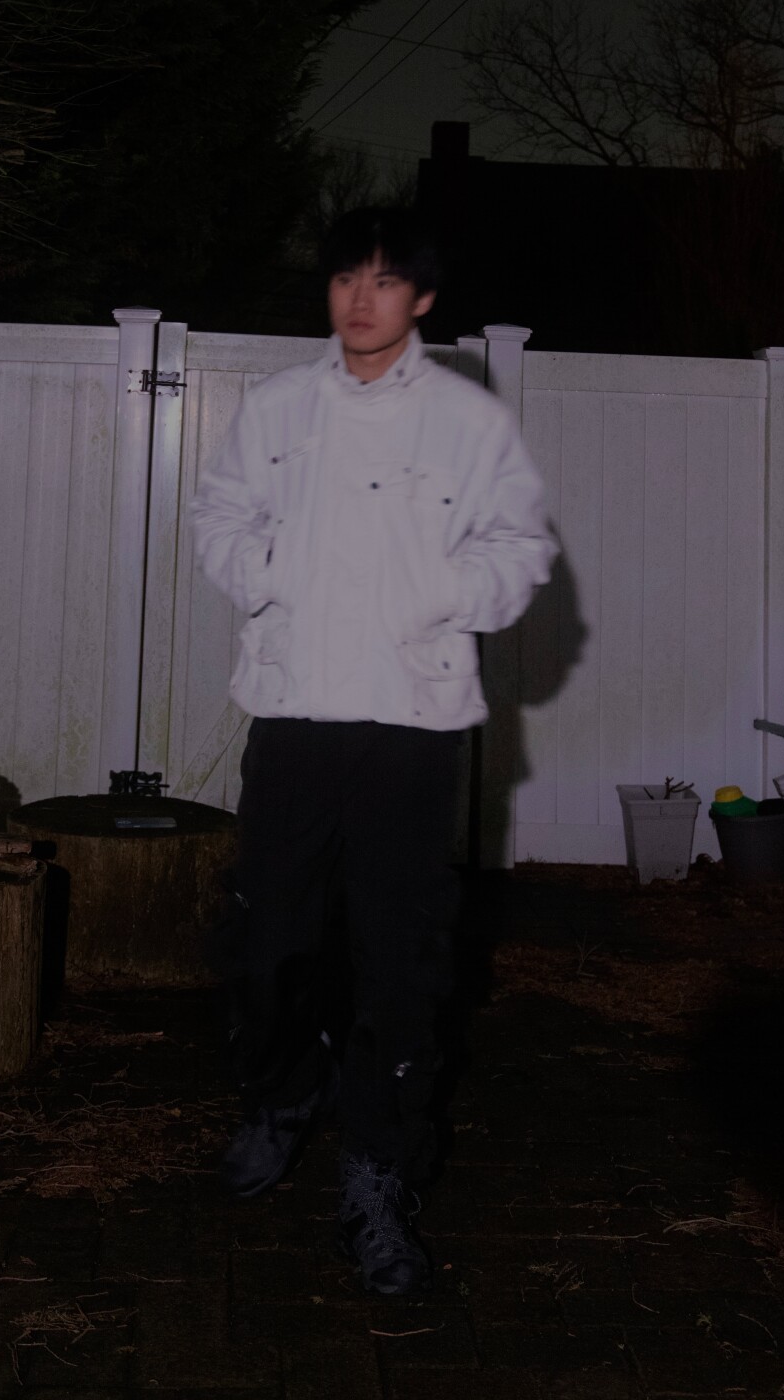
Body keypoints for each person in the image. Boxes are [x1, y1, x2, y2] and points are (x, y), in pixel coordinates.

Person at [190, 207, 557, 1297]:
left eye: (386, 281)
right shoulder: (276, 408)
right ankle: (279, 1094)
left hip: (411, 723)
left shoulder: (467, 421)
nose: (361, 297)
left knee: (400, 964)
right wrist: (272, 573)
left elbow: (519, 547)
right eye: (347, 276)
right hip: (294, 711)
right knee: (269, 944)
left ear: (422, 299)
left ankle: (377, 1178)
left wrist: (435, 592)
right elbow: (217, 516)